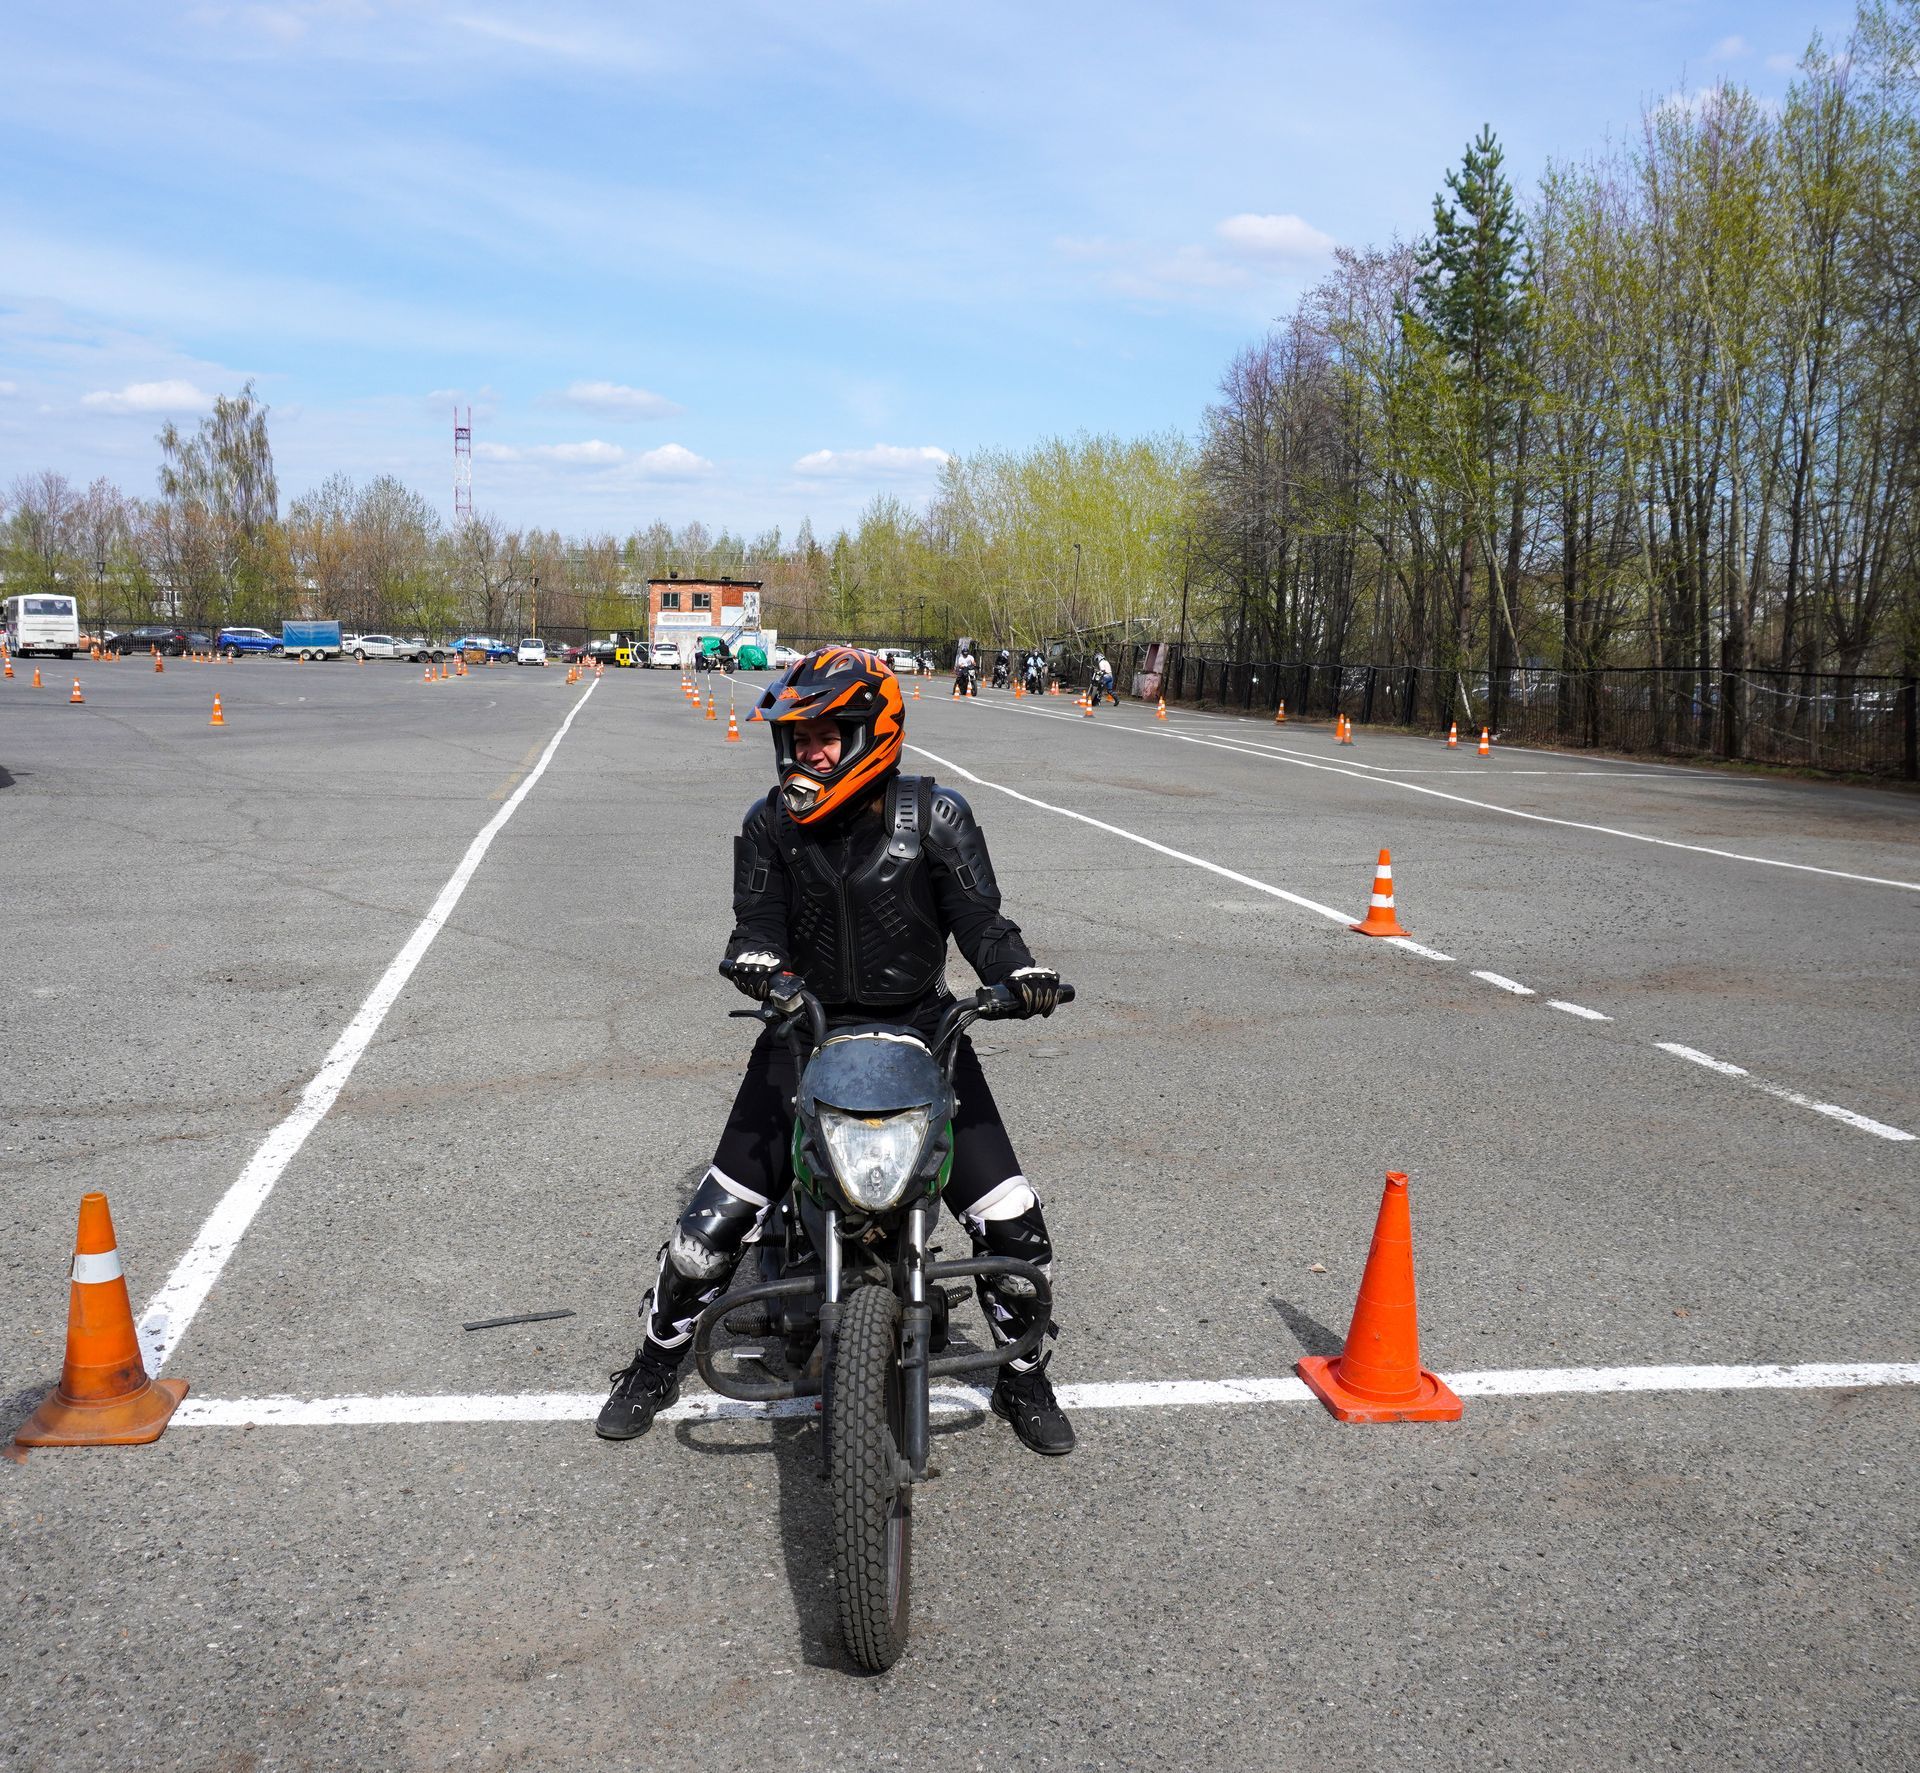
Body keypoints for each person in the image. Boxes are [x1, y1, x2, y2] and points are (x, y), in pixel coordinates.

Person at [599, 646, 1075, 1455]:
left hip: (926, 1036)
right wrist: (759, 964)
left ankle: (1025, 1376)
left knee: (1016, 1226)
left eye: (826, 736)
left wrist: (1018, 974)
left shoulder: (938, 816)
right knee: (706, 1234)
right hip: (803, 1033)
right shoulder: (769, 825)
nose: (809, 754)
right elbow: (754, 927)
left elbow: (984, 924)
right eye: (798, 738)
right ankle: (652, 1363)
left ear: (872, 735)